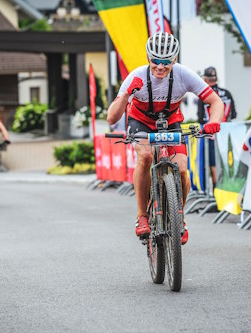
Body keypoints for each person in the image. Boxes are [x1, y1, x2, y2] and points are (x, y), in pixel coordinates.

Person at [107, 32, 224, 245]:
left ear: (175, 59)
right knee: (145, 157)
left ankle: (178, 216)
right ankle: (142, 215)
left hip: (171, 121)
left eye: (166, 61)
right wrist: (125, 95)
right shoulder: (137, 76)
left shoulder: (183, 74)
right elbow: (112, 116)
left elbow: (216, 102)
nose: (160, 66)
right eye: (155, 61)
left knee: (181, 169)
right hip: (141, 121)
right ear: (148, 58)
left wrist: (214, 121)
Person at [197, 66, 237, 186]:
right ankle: (228, 187)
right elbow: (233, 114)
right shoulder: (227, 93)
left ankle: (216, 189)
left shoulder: (204, 96)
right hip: (227, 133)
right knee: (228, 160)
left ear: (205, 79)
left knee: (213, 162)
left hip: (212, 134)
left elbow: (200, 118)